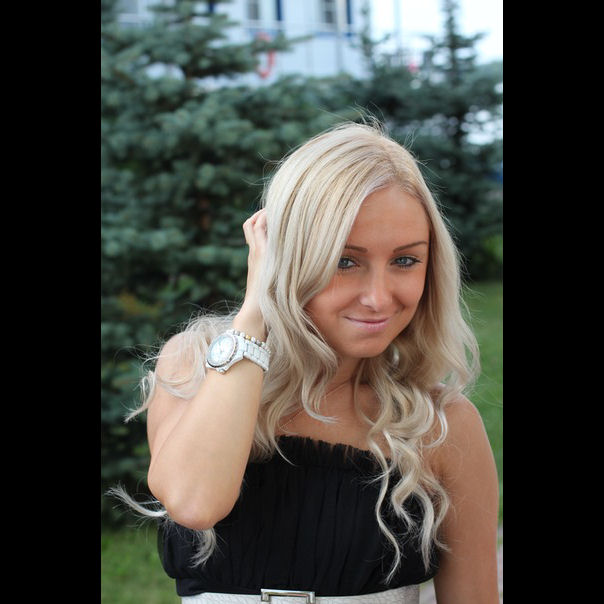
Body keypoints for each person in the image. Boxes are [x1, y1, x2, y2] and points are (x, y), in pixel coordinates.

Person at [115, 121, 500, 603]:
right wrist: (256, 311)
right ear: (287, 257)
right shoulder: (194, 367)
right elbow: (195, 503)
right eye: (345, 260)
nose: (378, 298)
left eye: (405, 261)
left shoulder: (440, 426)